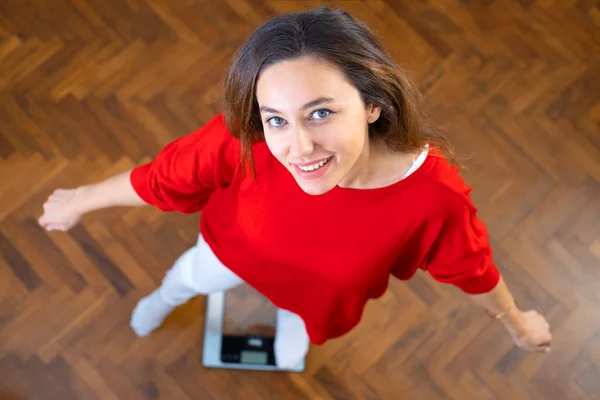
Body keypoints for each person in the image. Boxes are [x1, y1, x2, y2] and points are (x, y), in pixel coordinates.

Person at [38, 7, 552, 369]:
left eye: (321, 113)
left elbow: (473, 268)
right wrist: (79, 199)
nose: (298, 148)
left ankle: (293, 324)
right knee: (188, 279)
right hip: (230, 253)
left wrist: (517, 323)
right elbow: (162, 179)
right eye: (277, 119)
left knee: (298, 320)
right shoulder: (247, 138)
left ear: (373, 105)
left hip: (316, 296)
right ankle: (167, 298)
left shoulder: (433, 196)